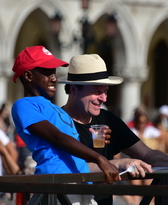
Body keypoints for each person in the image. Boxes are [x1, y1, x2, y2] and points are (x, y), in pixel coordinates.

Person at [58, 54, 168, 205]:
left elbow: (146, 153)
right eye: (98, 92)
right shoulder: (57, 121)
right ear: (74, 89)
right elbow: (68, 168)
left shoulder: (108, 119)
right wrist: (119, 163)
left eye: (106, 91)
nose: (104, 98)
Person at [11, 46, 124, 205]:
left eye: (54, 73)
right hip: (57, 184)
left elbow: (72, 151)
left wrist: (94, 146)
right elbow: (56, 137)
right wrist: (100, 158)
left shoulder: (57, 109)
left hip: (80, 184)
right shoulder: (23, 105)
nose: (54, 78)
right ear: (29, 76)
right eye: (48, 73)